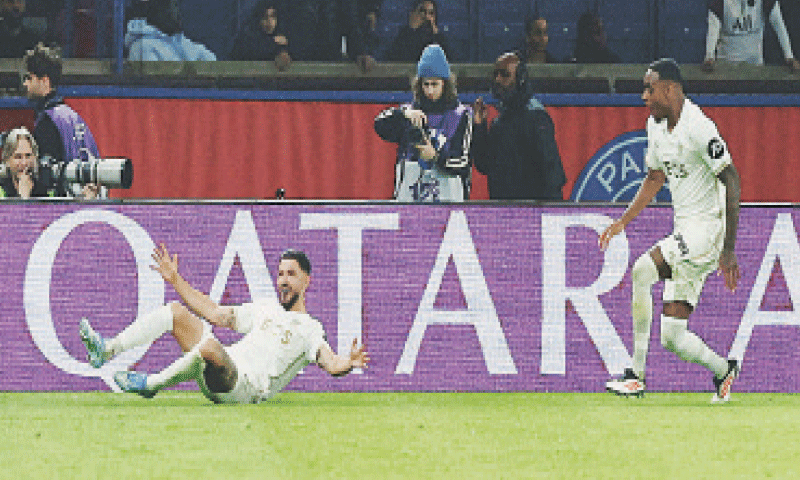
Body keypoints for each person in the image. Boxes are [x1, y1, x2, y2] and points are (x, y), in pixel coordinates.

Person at [600, 59, 741, 403]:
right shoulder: (655, 126)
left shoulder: (699, 127)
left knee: (642, 270)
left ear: (670, 89)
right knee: (673, 336)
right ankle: (723, 370)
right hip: (687, 235)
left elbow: (731, 179)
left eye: (650, 88)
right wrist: (623, 221)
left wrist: (728, 248)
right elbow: (654, 178)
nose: (644, 96)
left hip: (706, 233)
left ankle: (636, 376)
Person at [79, 245, 369, 403]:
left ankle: (152, 384)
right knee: (176, 312)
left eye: (291, 274)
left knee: (210, 347)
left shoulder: (310, 329)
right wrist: (175, 280)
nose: (282, 281)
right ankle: (107, 349)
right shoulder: (265, 308)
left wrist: (349, 363)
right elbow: (215, 314)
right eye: (280, 274)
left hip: (243, 388)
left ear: (307, 281)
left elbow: (331, 364)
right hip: (222, 367)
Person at [374, 44, 472, 202]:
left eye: (435, 84)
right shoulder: (411, 112)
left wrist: (436, 157)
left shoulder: (461, 114)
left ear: (445, 84)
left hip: (449, 198)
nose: (430, 91)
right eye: (426, 84)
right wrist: (403, 113)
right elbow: (379, 124)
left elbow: (463, 162)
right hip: (411, 195)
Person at [470, 52, 566, 200]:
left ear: (520, 79)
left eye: (505, 75)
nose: (498, 80)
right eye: (496, 74)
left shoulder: (536, 117)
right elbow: (484, 165)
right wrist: (480, 126)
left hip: (531, 212)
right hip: (503, 212)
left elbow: (552, 177)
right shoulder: (498, 123)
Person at [22, 43, 102, 199]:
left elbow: (45, 180)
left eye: (29, 78)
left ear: (45, 81)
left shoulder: (48, 121)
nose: (25, 84)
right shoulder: (75, 117)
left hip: (66, 211)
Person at [704, 0, 800, 72]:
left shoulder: (766, 1)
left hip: (755, 64)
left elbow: (779, 26)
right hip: (726, 64)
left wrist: (789, 57)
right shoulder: (718, 2)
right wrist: (709, 56)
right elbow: (713, 30)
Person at [284, 0, 377, 72]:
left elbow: (350, 20)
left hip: (330, 58)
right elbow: (281, 15)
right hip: (295, 61)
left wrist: (360, 52)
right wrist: (280, 50)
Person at [125, 0, 217, 61]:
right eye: (169, 7)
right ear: (156, 11)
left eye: (176, 5)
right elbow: (156, 87)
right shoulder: (142, 47)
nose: (176, 13)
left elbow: (211, 62)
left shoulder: (181, 42)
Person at [230, 1, 291, 71]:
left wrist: (282, 52)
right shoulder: (247, 37)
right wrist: (273, 42)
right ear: (258, 19)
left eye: (273, 16)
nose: (269, 21)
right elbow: (253, 50)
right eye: (265, 17)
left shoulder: (282, 37)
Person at [385, 0, 451, 62]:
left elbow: (449, 60)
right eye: (422, 11)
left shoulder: (439, 39)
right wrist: (411, 29)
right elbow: (394, 58)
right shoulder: (404, 36)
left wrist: (437, 35)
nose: (427, 16)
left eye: (431, 13)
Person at [0, 127, 53, 198]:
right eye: (18, 157)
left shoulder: (46, 187)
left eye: (28, 156)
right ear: (7, 160)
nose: (24, 163)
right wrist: (23, 196)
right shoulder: (1, 189)